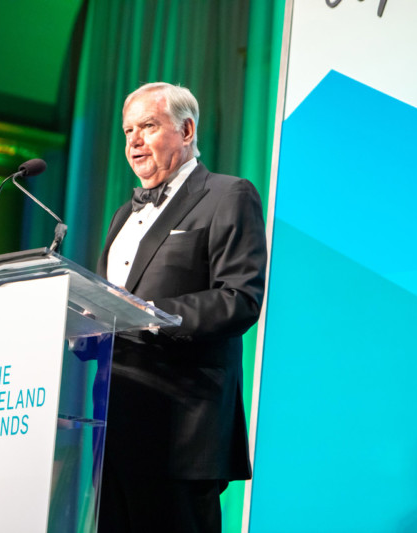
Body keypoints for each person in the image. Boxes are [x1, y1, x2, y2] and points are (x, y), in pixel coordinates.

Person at [96, 82, 267, 532]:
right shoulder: (122, 215)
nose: (134, 141)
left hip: (181, 431)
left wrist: (151, 315)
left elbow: (240, 298)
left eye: (148, 126)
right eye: (128, 130)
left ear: (186, 130)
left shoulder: (228, 195)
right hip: (112, 430)